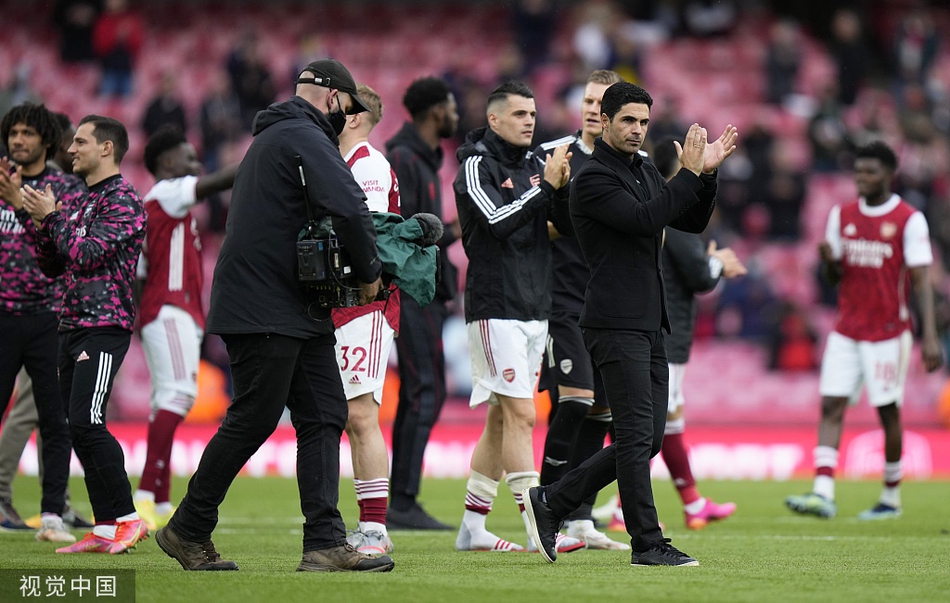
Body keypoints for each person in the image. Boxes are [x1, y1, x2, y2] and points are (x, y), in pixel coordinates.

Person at [154, 58, 394, 573]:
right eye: (345, 108)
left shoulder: (274, 136)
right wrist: (371, 271)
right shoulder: (303, 134)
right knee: (253, 419)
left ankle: (324, 542)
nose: (343, 117)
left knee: (325, 413)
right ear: (332, 97)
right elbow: (350, 206)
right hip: (268, 305)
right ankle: (188, 527)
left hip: (285, 305)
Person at [523, 81, 738, 567]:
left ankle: (553, 500)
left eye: (644, 122)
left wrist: (705, 177)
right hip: (613, 321)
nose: (638, 131)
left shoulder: (642, 168)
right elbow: (646, 219)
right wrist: (686, 173)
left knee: (647, 438)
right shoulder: (592, 177)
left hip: (648, 321)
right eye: (628, 121)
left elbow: (689, 221)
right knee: (636, 436)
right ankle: (648, 543)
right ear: (604, 121)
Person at [453, 81, 582, 554]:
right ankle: (538, 527)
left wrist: (562, 192)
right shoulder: (474, 165)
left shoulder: (534, 166)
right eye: (520, 113)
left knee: (500, 421)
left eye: (532, 112)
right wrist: (546, 188)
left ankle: (472, 528)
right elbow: (497, 222)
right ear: (494, 119)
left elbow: (561, 229)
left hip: (535, 306)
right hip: (496, 307)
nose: (530, 120)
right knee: (523, 415)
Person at [785, 141, 943, 520]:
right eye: (858, 172)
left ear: (889, 175)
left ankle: (891, 498)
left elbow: (920, 281)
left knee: (887, 411)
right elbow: (835, 277)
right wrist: (829, 262)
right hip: (847, 328)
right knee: (831, 403)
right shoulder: (843, 215)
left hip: (889, 331)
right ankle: (823, 492)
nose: (862, 178)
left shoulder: (909, 218)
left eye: (870, 172)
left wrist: (930, 335)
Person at [21, 114, 149, 554]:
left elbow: (89, 253)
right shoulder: (82, 202)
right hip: (72, 324)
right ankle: (105, 526)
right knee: (76, 427)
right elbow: (54, 263)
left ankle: (129, 519)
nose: (70, 149)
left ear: (106, 148)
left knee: (89, 423)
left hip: (104, 325)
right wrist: (39, 220)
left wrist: (53, 217)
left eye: (79, 142)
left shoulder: (125, 200)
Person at [533, 69, 628, 550]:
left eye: (601, 102)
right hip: (561, 299)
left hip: (608, 303)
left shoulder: (633, 162)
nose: (593, 109)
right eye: (588, 100)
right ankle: (544, 503)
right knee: (574, 399)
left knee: (603, 412)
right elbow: (533, 226)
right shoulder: (552, 155)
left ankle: (580, 519)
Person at [132, 126, 238, 532]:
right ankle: (144, 495)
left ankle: (157, 496)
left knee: (165, 400)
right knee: (179, 395)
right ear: (167, 163)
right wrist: (266, 153)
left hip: (166, 310)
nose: (195, 165)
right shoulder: (168, 192)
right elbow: (219, 180)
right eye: (188, 158)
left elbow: (139, 273)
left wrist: (144, 318)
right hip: (173, 308)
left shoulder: (159, 207)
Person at [0, 103, 83, 544]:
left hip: (49, 316)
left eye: (28, 133)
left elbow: (63, 247)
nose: (18, 140)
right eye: (13, 132)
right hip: (2, 314)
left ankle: (52, 514)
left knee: (56, 419)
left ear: (46, 141)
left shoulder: (64, 187)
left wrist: (21, 206)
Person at [654, 136, 745, 529]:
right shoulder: (677, 213)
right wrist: (716, 265)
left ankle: (692, 504)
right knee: (650, 424)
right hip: (667, 334)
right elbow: (698, 277)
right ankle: (623, 509)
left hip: (667, 331)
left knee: (667, 421)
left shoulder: (657, 207)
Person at [383, 76, 459, 531]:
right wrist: (456, 229)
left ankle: (404, 498)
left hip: (426, 294)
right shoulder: (404, 159)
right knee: (422, 391)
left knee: (427, 391)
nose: (455, 112)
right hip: (413, 294)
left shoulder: (421, 160)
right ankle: (403, 501)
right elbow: (405, 232)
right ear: (434, 111)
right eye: (450, 105)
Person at [333, 83, 400, 555]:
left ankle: (375, 528)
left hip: (364, 302)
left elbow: (368, 234)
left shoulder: (369, 165)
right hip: (337, 303)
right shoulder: (340, 162)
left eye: (337, 108)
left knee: (361, 413)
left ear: (356, 117)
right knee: (346, 414)